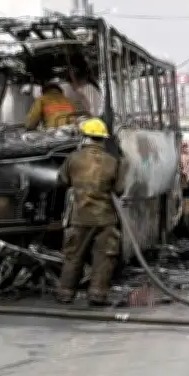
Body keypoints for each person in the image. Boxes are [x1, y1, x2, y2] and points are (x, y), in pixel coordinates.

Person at [56, 117, 126, 306]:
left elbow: (62, 181)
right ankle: (97, 295)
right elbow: (120, 190)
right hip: (105, 219)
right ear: (103, 139)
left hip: (79, 218)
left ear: (84, 138)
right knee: (104, 257)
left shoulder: (73, 158)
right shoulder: (113, 161)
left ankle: (65, 293)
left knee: (73, 257)